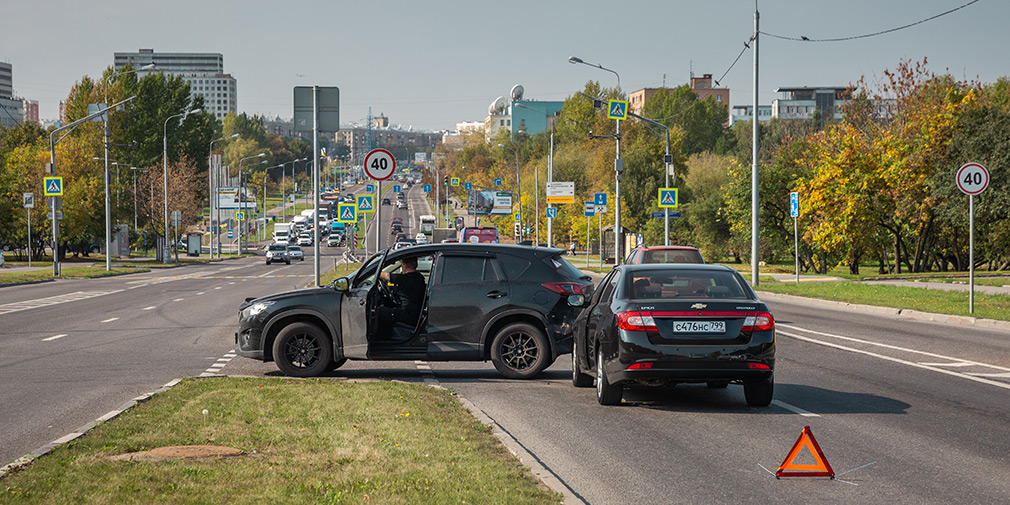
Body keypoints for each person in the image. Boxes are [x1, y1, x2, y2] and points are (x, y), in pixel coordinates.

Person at [377, 256, 426, 339]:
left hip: (408, 315)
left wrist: (373, 271)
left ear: (405, 265)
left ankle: (380, 339)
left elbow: (383, 275)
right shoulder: (419, 277)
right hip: (414, 314)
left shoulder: (405, 279)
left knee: (378, 312)